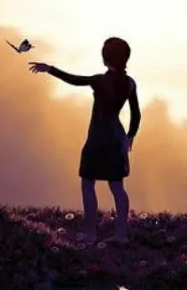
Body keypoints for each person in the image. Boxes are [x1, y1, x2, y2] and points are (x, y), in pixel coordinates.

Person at [29, 37, 141, 245]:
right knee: (117, 187)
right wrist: (130, 137)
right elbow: (136, 115)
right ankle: (122, 234)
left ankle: (90, 233)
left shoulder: (100, 81)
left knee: (88, 183)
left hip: (98, 137)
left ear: (105, 58)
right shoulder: (130, 83)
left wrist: (49, 69)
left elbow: (74, 79)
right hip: (117, 138)